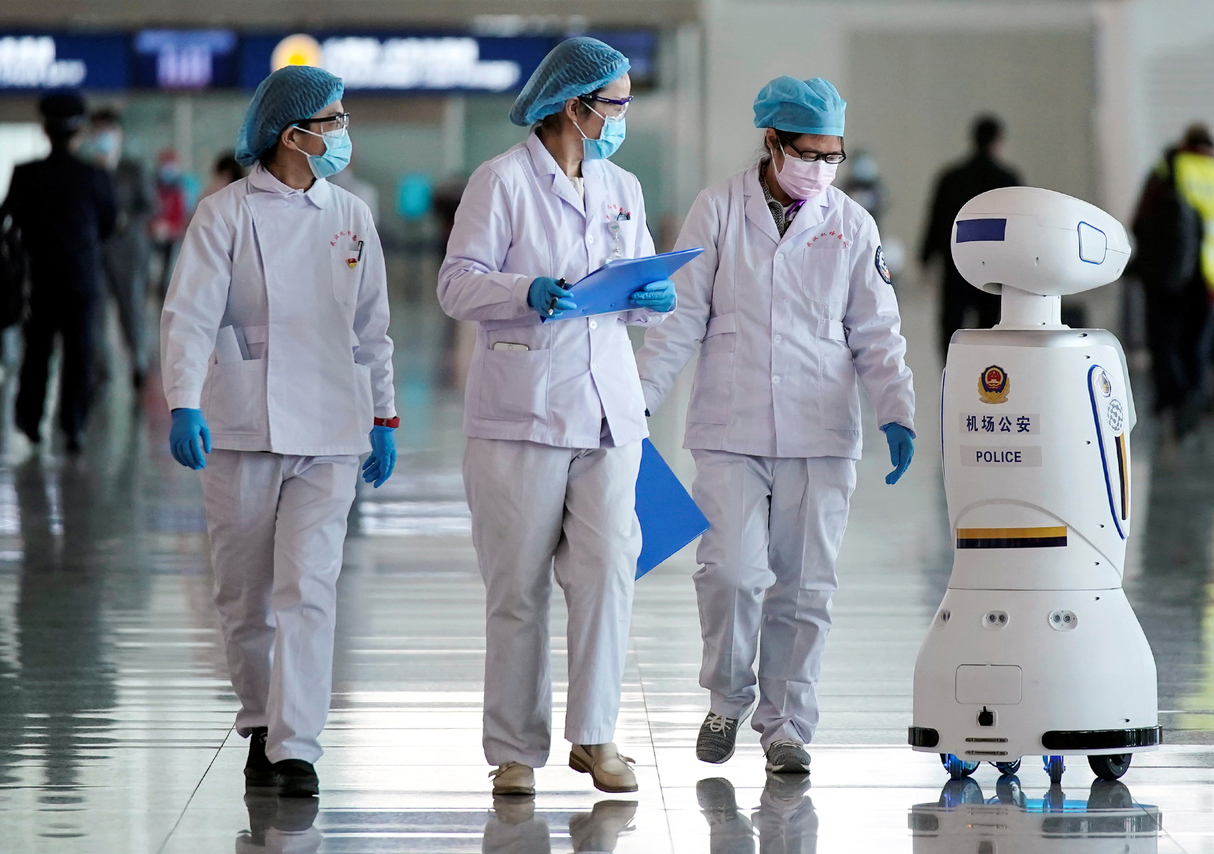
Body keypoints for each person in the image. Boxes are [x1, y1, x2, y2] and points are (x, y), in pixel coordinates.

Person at [635, 77, 916, 775]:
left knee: (806, 586)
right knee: (729, 573)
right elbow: (680, 318)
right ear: (773, 142)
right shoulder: (718, 209)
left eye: (832, 155)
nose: (820, 168)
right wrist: (636, 400)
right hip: (729, 426)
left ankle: (786, 725)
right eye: (808, 154)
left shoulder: (852, 225)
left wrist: (897, 411)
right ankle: (726, 700)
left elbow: (877, 331)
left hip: (821, 432)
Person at [437, 36, 676, 798]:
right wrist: (524, 291)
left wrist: (653, 298)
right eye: (615, 105)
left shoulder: (622, 185)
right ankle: (514, 750)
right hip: (523, 414)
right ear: (575, 107)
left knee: (608, 575)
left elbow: (633, 286)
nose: (622, 118)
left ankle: (596, 736)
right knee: (517, 588)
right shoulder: (501, 181)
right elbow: (455, 284)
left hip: (610, 413)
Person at [160, 65, 398, 799]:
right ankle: (261, 718)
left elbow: (374, 328)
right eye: (333, 120)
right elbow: (189, 315)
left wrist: (384, 415)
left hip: (332, 426)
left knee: (310, 587)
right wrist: (183, 402)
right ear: (293, 134)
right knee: (244, 596)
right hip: (242, 425)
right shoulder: (225, 214)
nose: (343, 132)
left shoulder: (351, 214)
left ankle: (295, 745)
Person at [2, 90, 117, 452]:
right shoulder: (93, 175)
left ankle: (30, 420)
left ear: (44, 130)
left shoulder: (26, 174)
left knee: (37, 352)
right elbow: (109, 223)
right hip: (82, 278)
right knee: (79, 355)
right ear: (79, 131)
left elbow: (7, 219)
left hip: (39, 279)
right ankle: (74, 426)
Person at [1132, 123, 1214, 436]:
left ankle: (1173, 400)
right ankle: (1193, 403)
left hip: (1171, 275)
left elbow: (1141, 218)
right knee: (1198, 348)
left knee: (1165, 343)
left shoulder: (1171, 167)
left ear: (1185, 142)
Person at [921, 115, 1021, 354]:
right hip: (994, 267)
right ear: (998, 141)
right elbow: (1018, 227)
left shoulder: (951, 177)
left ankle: (952, 368)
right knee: (989, 324)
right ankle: (984, 368)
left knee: (951, 324)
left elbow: (936, 220)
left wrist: (925, 257)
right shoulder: (1007, 179)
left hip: (957, 262)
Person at [83, 108, 155, 391]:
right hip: (95, 253)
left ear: (119, 135)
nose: (102, 137)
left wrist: (124, 219)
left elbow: (149, 205)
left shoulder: (133, 170)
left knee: (131, 309)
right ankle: (100, 370)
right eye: (97, 132)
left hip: (128, 252)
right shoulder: (86, 172)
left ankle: (138, 363)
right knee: (96, 313)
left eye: (107, 132)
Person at [151, 148, 189, 298]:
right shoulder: (152, 187)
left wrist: (170, 228)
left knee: (169, 273)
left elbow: (181, 215)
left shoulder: (180, 189)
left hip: (173, 237)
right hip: (152, 237)